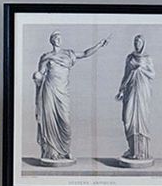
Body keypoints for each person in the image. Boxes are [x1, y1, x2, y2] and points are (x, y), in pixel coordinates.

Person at [31, 29, 106, 161]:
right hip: (49, 90)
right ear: (51, 40)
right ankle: (52, 152)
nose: (58, 40)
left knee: (65, 121)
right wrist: (37, 77)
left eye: (60, 37)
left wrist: (99, 45)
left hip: (62, 92)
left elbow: (85, 53)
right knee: (50, 120)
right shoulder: (46, 57)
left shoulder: (68, 54)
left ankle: (65, 151)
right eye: (55, 37)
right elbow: (41, 74)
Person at [117, 33, 157, 161]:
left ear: (143, 44)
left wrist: (141, 69)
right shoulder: (129, 58)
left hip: (142, 92)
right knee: (128, 119)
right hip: (130, 91)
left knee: (141, 120)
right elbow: (126, 75)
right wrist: (121, 90)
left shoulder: (147, 58)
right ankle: (132, 150)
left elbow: (152, 74)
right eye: (135, 42)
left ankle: (142, 153)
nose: (137, 44)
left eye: (139, 42)